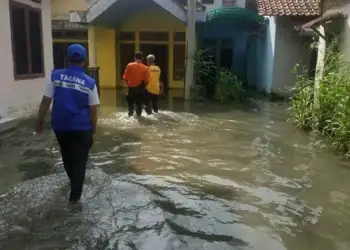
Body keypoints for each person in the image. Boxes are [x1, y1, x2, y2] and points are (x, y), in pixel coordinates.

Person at [35, 44, 100, 204]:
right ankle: (75, 199)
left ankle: (74, 183)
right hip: (82, 128)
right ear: (84, 61)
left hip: (61, 127)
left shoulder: (55, 76)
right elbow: (93, 110)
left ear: (67, 59)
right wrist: (94, 130)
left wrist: (40, 121)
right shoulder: (90, 82)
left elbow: (46, 100)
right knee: (80, 162)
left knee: (67, 156)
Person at [123, 51, 150, 117]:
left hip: (131, 89)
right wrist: (144, 87)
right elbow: (147, 81)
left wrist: (129, 84)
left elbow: (125, 77)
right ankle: (139, 117)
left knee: (130, 105)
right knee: (139, 105)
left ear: (134, 57)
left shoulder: (129, 65)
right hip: (140, 89)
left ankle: (130, 115)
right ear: (142, 58)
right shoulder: (145, 68)